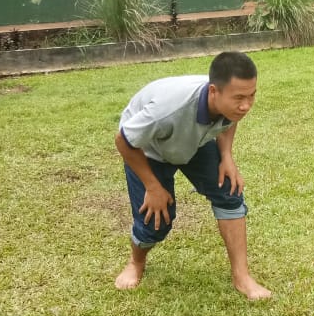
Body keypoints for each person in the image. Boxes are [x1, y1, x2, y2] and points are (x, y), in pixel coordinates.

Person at [113, 51, 271, 301]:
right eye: (239, 97)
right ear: (213, 92)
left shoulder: (225, 99)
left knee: (229, 191)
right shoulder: (167, 110)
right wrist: (153, 187)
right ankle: (135, 263)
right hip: (148, 149)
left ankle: (242, 276)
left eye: (252, 96)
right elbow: (124, 140)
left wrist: (226, 156)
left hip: (192, 142)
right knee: (155, 222)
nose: (246, 105)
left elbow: (231, 117)